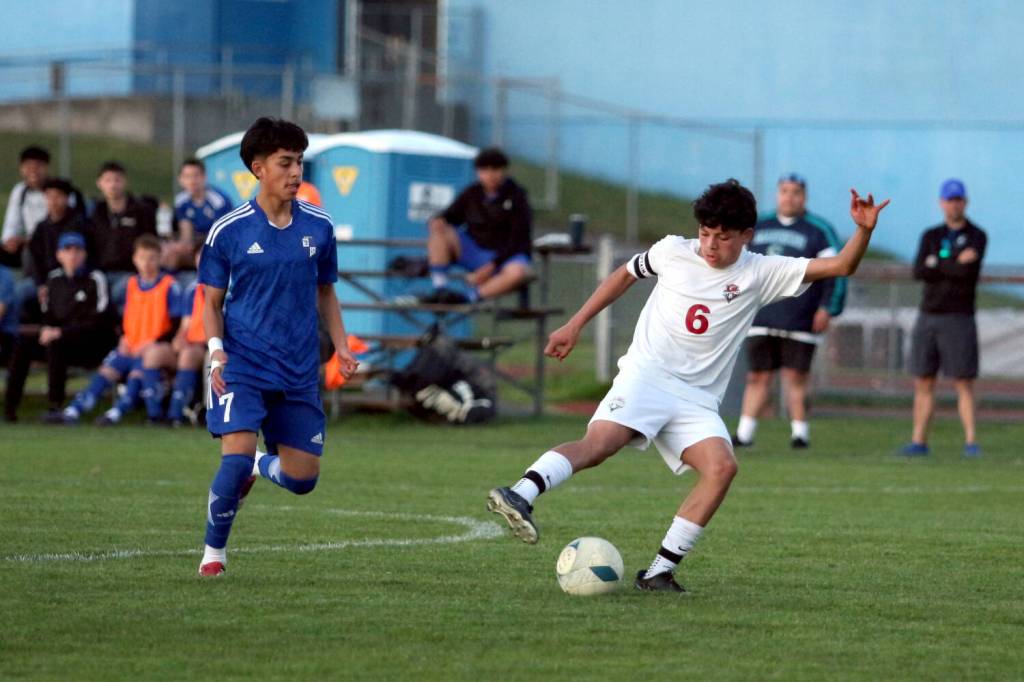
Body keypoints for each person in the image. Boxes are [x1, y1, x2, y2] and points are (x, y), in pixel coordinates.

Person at [486, 179, 889, 593]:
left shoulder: (762, 271)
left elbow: (841, 266)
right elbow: (624, 275)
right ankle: (520, 494)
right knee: (600, 444)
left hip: (696, 399)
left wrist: (864, 231)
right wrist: (575, 324)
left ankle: (660, 570)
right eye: (705, 233)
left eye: (723, 237)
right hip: (647, 375)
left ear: (747, 236)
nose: (711, 245)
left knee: (721, 467)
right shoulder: (672, 251)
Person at [196, 117, 358, 577]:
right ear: (258, 168)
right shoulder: (227, 231)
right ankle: (214, 555)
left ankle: (259, 467)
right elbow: (210, 302)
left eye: (299, 162)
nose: (295, 172)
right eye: (285, 163)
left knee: (302, 479)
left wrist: (342, 348)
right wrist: (215, 349)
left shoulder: (319, 227)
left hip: (298, 369)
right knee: (234, 457)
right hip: (241, 364)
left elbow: (326, 292)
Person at [734, 174, 847, 449]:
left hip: (800, 316)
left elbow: (839, 270)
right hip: (761, 315)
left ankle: (800, 435)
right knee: (758, 376)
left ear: (804, 197)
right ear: (777, 194)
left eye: (796, 192)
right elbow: (737, 264)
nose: (789, 197)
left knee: (795, 376)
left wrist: (829, 308)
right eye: (784, 191)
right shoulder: (758, 226)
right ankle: (744, 434)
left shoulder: (819, 230)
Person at [52, 234, 181, 425]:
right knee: (105, 372)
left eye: (152, 258)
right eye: (143, 258)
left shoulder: (169, 285)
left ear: (160, 258)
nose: (147, 263)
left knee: (138, 374)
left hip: (153, 347)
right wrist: (123, 337)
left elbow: (176, 322)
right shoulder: (130, 285)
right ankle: (73, 411)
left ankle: (116, 414)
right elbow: (121, 317)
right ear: (135, 259)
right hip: (130, 345)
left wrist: (154, 342)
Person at [903, 179, 987, 458]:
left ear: (966, 202)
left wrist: (937, 265)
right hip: (929, 315)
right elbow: (919, 271)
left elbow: (967, 274)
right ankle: (919, 441)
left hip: (959, 316)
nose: (954, 204)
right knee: (924, 380)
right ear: (941, 202)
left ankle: (971, 442)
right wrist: (953, 263)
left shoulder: (977, 235)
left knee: (963, 381)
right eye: (950, 199)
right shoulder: (931, 235)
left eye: (959, 199)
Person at [4, 232, 115, 422]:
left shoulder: (95, 279)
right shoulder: (54, 280)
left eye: (77, 250)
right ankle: (10, 408)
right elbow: (48, 316)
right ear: (59, 255)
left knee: (57, 343)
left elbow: (100, 321)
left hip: (90, 343)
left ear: (85, 254)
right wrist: (48, 329)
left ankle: (55, 406)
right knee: (24, 343)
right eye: (67, 250)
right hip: (60, 337)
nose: (73, 255)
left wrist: (62, 332)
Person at [423, 147, 532, 304]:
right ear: (478, 172)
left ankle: (468, 298)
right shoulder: (472, 193)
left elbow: (519, 239)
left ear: (504, 171)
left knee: (518, 272)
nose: (490, 175)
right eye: (484, 170)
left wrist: (491, 267)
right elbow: (449, 216)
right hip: (476, 251)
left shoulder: (517, 196)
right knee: (440, 229)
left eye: (495, 169)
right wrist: (436, 219)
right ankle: (440, 289)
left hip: (505, 256)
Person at [86, 161, 158, 304]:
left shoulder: (141, 211)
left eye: (117, 180)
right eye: (108, 180)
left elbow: (151, 244)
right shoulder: (94, 213)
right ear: (99, 183)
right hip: (100, 274)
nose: (113, 185)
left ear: (124, 182)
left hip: (132, 274)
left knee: (115, 296)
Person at [164, 158, 233, 270]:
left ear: (204, 177)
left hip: (216, 244)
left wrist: (197, 245)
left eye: (196, 176)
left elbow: (222, 235)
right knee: (168, 253)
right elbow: (185, 232)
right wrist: (183, 245)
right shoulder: (181, 201)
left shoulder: (219, 200)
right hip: (195, 244)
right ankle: (173, 285)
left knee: (203, 255)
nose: (192, 181)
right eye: (187, 176)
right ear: (180, 180)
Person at [166, 249, 208, 426]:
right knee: (185, 354)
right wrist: (180, 338)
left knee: (213, 359)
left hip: (224, 345)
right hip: (198, 343)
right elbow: (186, 325)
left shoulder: (233, 285)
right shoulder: (192, 290)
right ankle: (175, 414)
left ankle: (211, 411)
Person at [27, 178, 90, 289]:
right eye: (49, 197)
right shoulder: (41, 227)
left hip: (71, 279)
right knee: (21, 292)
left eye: (57, 196)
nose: (53, 201)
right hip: (44, 280)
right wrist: (41, 284)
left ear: (66, 198)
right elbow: (35, 258)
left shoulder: (79, 225)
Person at [1, 146, 50, 269]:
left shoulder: (57, 191)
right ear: (21, 169)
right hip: (27, 243)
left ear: (46, 168)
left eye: (38, 166)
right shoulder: (20, 191)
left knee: (30, 253)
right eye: (28, 167)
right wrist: (9, 240)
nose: (33, 171)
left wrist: (29, 241)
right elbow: (11, 223)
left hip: (51, 244)